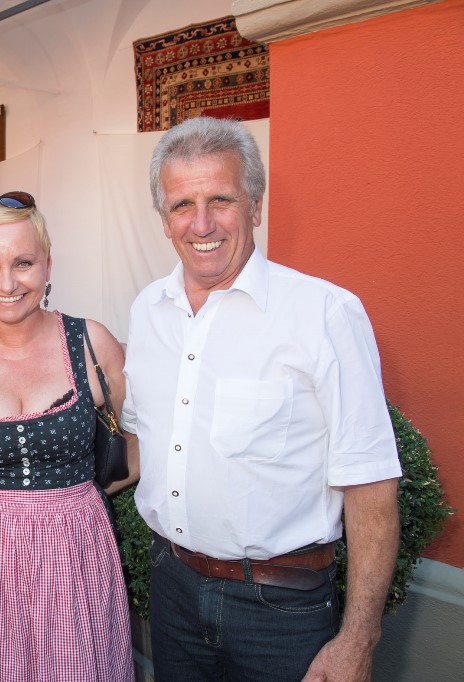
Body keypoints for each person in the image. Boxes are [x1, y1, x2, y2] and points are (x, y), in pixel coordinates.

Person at [123, 116, 402, 681]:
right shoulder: (148, 311)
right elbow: (139, 442)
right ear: (163, 218)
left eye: (220, 200)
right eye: (182, 204)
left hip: (281, 611)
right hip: (172, 589)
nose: (201, 223)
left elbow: (371, 482)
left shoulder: (324, 314)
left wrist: (358, 639)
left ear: (255, 205)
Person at [0, 192, 138, 680]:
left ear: (47, 265)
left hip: (77, 561)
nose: (7, 283)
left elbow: (147, 439)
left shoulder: (91, 343)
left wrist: (79, 497)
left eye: (23, 263)